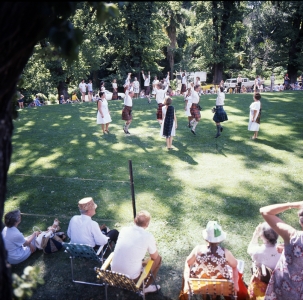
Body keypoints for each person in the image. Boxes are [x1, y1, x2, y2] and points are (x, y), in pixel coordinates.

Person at [180, 221, 239, 298]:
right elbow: (235, 266)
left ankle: (198, 296)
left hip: (199, 285)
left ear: (206, 238)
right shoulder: (226, 253)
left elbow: (188, 263)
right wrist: (236, 284)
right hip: (221, 287)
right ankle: (216, 296)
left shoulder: (198, 250)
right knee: (233, 272)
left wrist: (186, 284)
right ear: (219, 239)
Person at [259, 201, 303, 299]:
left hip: (285, 289)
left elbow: (265, 211)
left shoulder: (293, 237)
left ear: (301, 222)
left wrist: (293, 204)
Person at [111, 210, 161, 294]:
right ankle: (145, 287)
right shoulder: (148, 236)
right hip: (131, 279)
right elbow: (154, 257)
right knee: (158, 259)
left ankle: (140, 268)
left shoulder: (124, 230)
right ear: (147, 224)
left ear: (134, 220)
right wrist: (153, 246)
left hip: (113, 275)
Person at [247, 222, 281, 299]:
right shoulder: (282, 250)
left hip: (260, 281)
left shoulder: (257, 251)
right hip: (276, 282)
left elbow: (250, 249)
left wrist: (255, 235)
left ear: (261, 235)